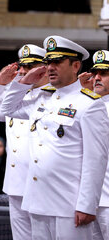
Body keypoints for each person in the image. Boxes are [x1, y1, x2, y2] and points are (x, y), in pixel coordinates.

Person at [1, 35, 109, 239]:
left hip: (69, 205)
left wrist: (87, 205)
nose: (50, 67)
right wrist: (24, 82)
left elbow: (95, 160)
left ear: (75, 65)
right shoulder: (43, 100)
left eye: (57, 62)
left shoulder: (89, 104)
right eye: (48, 62)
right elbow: (7, 108)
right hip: (38, 202)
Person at [0, 44, 48, 239]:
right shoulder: (14, 96)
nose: (25, 72)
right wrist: (0, 84)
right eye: (23, 67)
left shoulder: (52, 95)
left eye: (31, 66)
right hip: (15, 181)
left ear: (44, 67)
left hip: (41, 183)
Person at [90, 50, 109, 240]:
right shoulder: (86, 105)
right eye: (95, 73)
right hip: (87, 199)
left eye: (103, 73)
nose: (96, 78)